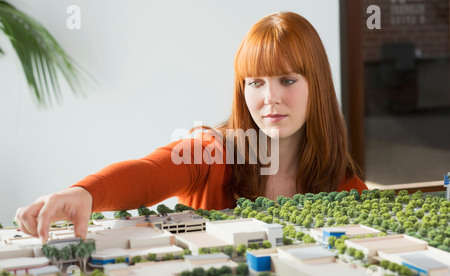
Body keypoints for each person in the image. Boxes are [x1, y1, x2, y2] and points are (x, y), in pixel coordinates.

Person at [15, 12, 367, 243]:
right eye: (255, 83)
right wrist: (84, 194)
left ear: (317, 85)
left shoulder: (344, 185)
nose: (269, 97)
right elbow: (146, 173)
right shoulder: (212, 152)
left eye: (287, 81)